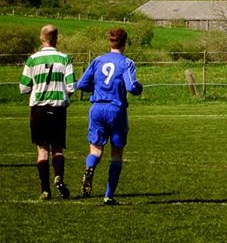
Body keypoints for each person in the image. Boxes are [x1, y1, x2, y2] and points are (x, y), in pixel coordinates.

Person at [76, 27, 143, 205]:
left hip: (97, 108)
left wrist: (99, 87)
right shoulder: (127, 63)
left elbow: (82, 84)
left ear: (110, 42)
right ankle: (108, 195)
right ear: (125, 43)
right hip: (115, 110)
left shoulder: (98, 60)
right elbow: (131, 87)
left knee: (95, 150)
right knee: (116, 154)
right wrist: (139, 87)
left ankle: (90, 168)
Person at [19, 25, 75, 200]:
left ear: (41, 38)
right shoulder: (64, 59)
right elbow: (72, 86)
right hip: (58, 108)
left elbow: (23, 88)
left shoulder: (32, 60)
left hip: (39, 109)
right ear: (56, 38)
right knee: (57, 148)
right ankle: (59, 176)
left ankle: (45, 189)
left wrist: (37, 88)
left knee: (42, 150)